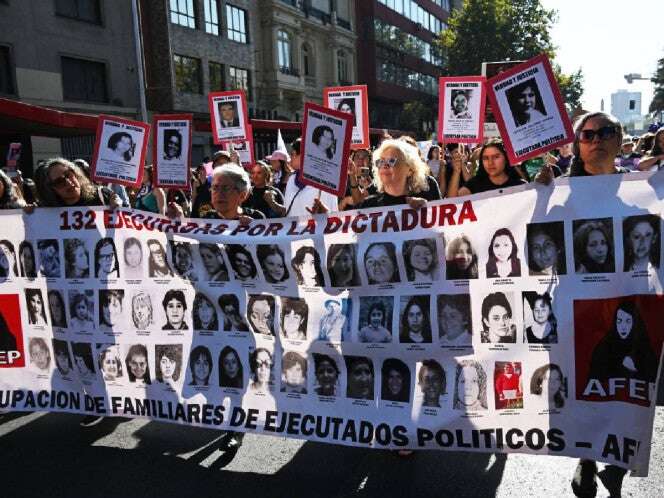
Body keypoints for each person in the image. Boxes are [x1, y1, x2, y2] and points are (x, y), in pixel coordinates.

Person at [588, 301, 658, 385]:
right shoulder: (604, 346)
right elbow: (594, 379)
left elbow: (654, 380)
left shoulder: (644, 348)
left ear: (634, 323)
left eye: (628, 321)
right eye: (619, 321)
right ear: (615, 322)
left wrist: (634, 369)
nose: (623, 327)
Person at [358, 138, 441, 209]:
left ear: (410, 169)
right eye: (380, 161)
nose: (384, 166)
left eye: (391, 161)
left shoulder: (427, 198)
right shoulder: (368, 206)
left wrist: (428, 211)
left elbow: (444, 226)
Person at [279, 138, 338, 217]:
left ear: (303, 155)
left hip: (316, 228)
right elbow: (286, 210)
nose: (290, 158)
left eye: (293, 154)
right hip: (294, 229)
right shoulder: (291, 179)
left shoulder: (324, 182)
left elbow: (332, 214)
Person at [447, 141, 526, 197]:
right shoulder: (475, 184)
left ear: (506, 159)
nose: (490, 163)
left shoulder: (520, 186)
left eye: (496, 157)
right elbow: (452, 202)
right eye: (485, 158)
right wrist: (456, 172)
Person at [34, 158, 121, 208]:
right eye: (59, 181)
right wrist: (29, 212)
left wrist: (118, 205)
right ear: (51, 188)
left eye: (68, 174)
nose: (68, 182)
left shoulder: (102, 195)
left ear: (76, 173)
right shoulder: (46, 210)